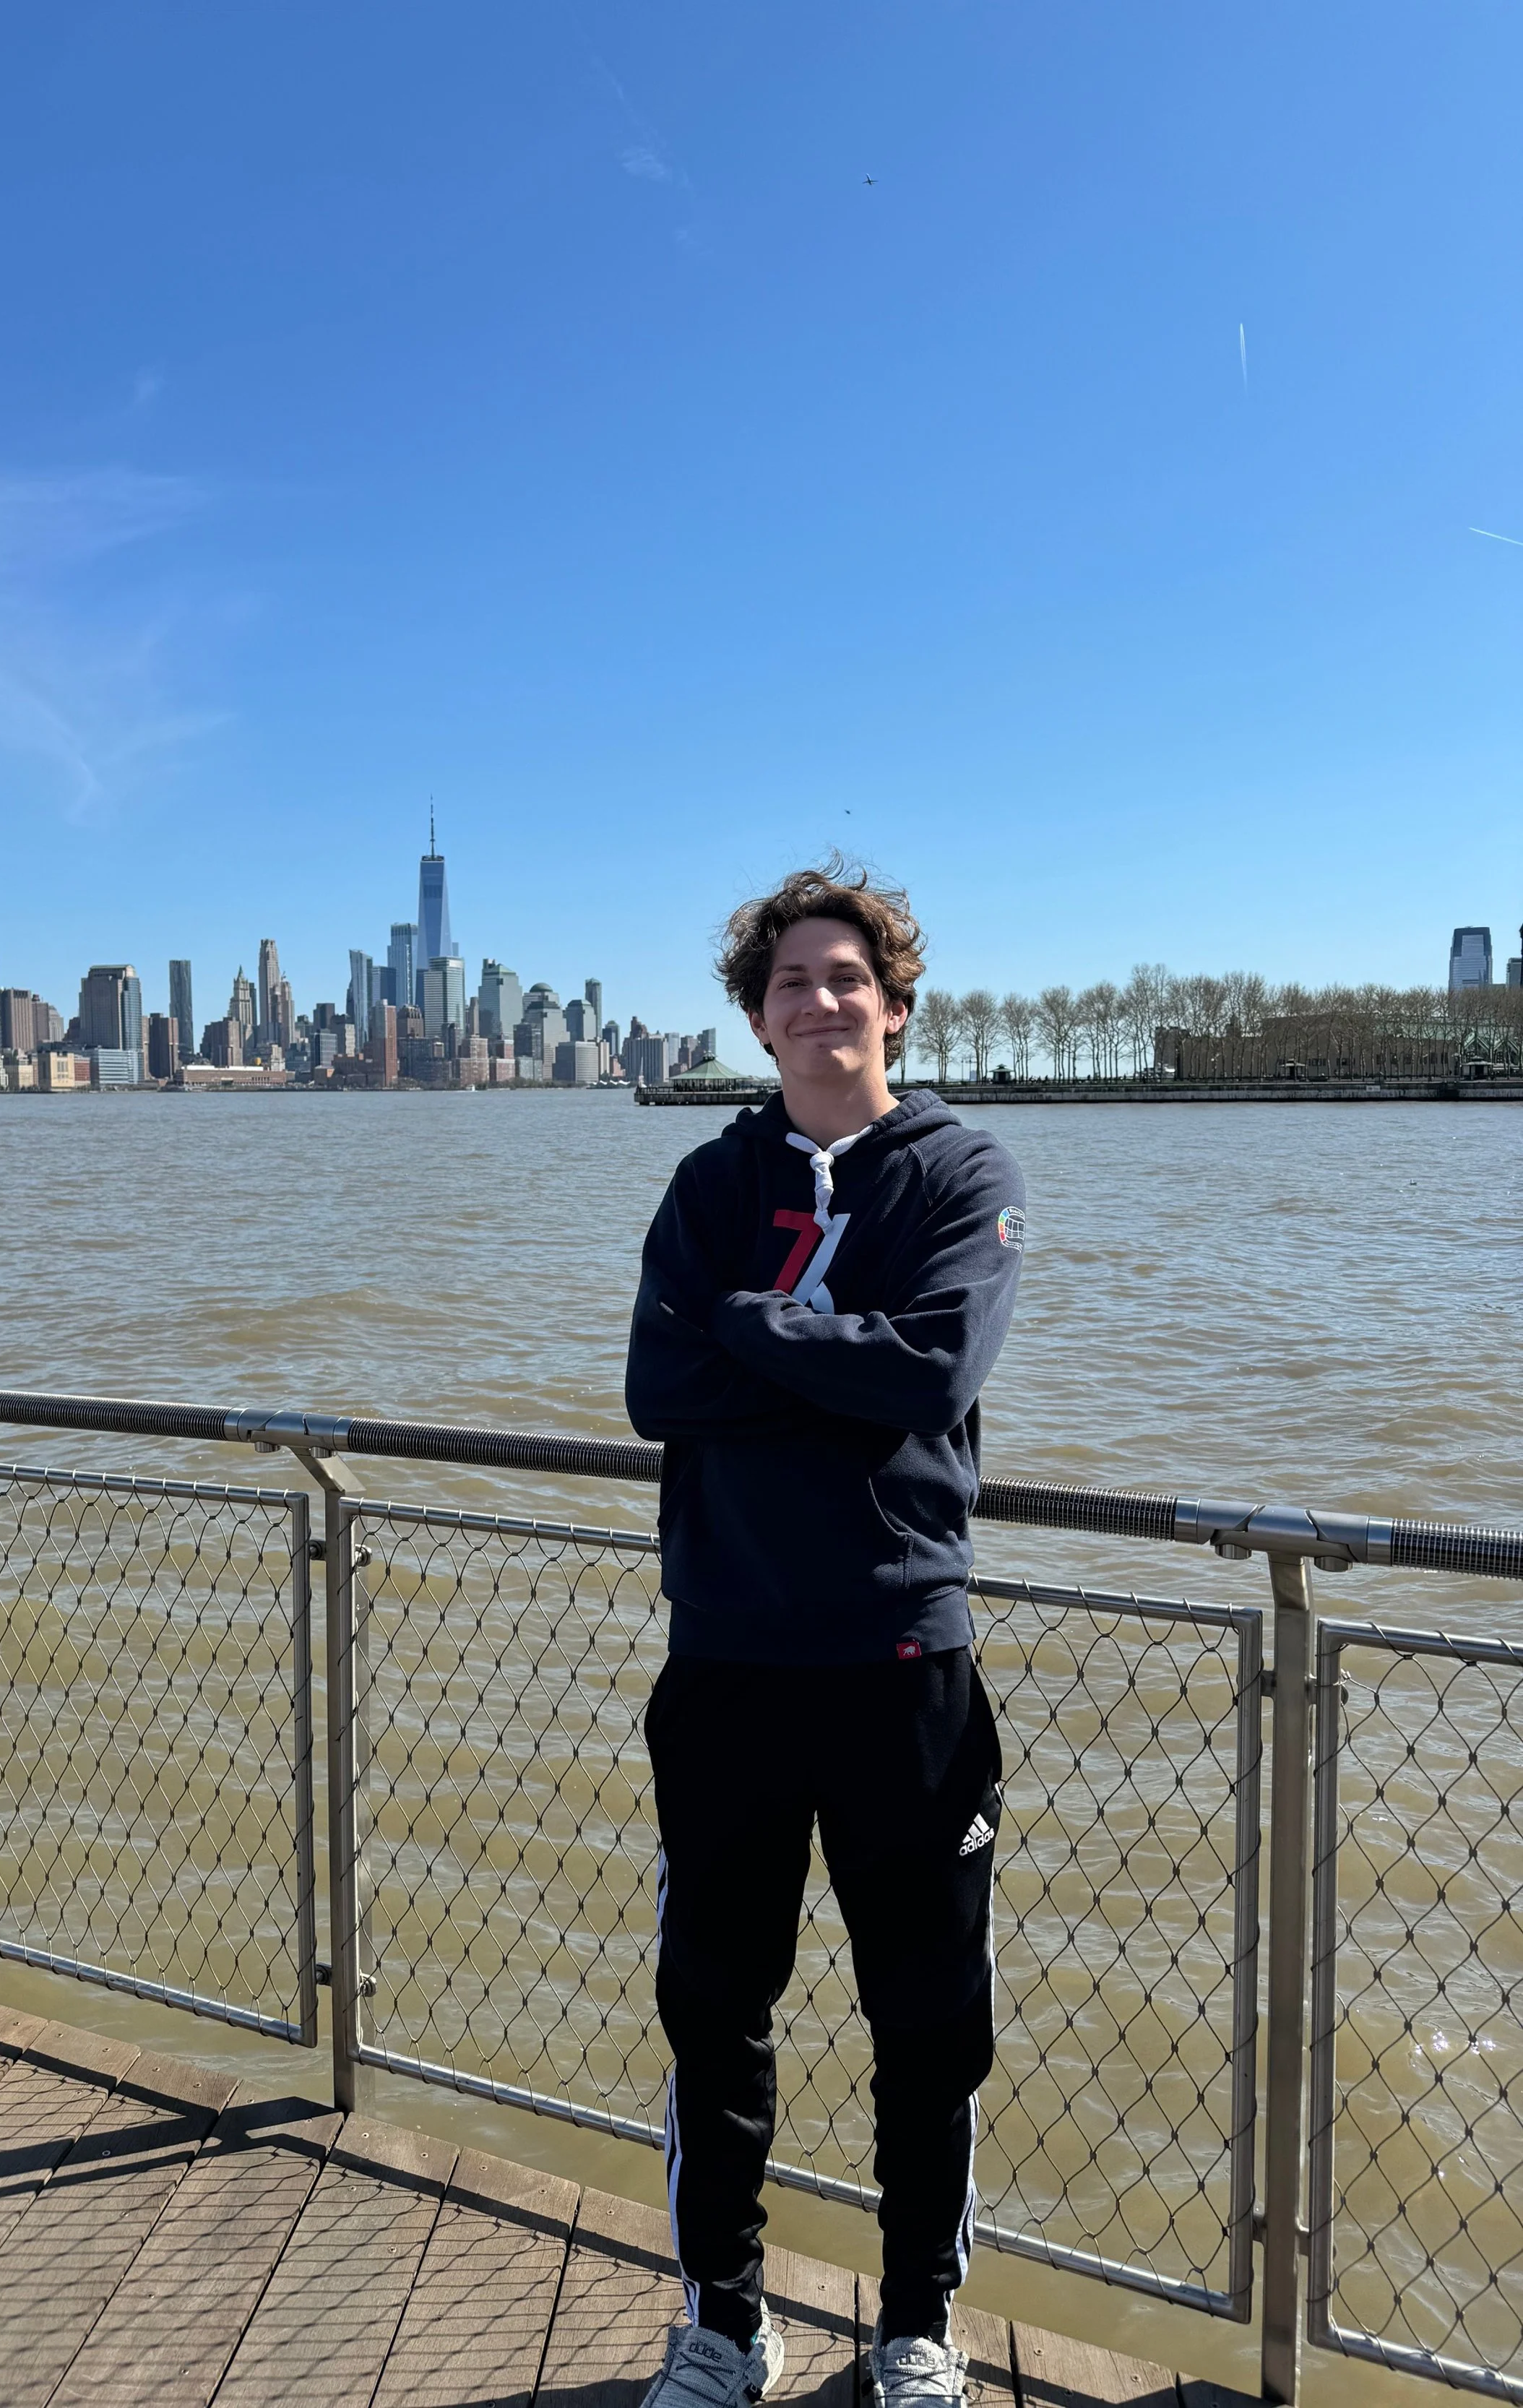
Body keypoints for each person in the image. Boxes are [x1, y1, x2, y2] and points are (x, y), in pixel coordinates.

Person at [625, 863, 1027, 2408]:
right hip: (726, 1652)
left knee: (928, 2015)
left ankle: (916, 2322)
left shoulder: (958, 1171)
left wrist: (745, 1325)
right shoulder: (708, 1185)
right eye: (788, 981)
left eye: (843, 976)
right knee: (713, 2006)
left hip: (899, 1659)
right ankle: (724, 2320)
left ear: (894, 1003)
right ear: (755, 1015)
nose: (817, 1002)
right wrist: (808, 1359)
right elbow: (655, 1392)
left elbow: (930, 1372)